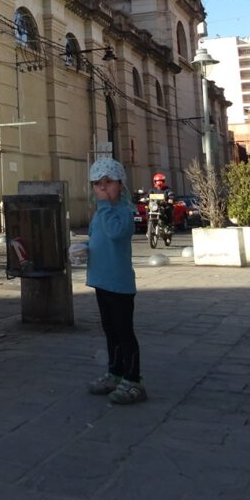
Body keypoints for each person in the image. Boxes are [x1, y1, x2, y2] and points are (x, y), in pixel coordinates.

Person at [86, 157, 147, 404]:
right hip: (101, 281)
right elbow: (97, 239)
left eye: (108, 182)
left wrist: (104, 206)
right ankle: (115, 372)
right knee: (110, 331)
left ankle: (133, 380)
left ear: (120, 186)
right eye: (97, 183)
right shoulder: (100, 213)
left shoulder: (122, 212)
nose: (102, 187)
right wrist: (83, 249)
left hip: (119, 284)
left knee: (124, 332)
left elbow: (114, 232)